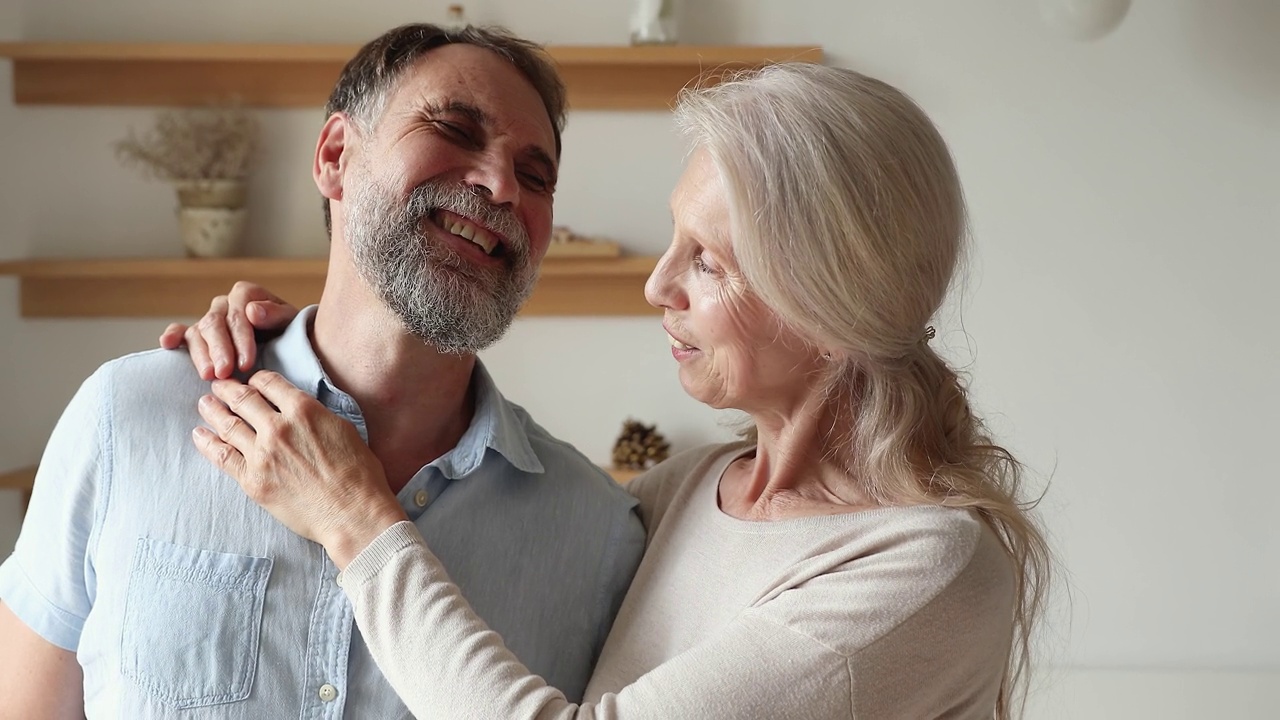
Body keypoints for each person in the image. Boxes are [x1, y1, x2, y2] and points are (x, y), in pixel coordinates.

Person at [176, 63, 1053, 719]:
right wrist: (308, 342)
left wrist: (355, 521)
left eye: (706, 261)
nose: (658, 286)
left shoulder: (929, 566)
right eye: (676, 241)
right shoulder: (684, 491)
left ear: (830, 309)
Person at [0, 24, 646, 718]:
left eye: (536, 175)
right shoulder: (126, 416)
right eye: (455, 130)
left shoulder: (600, 534)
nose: (501, 186)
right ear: (336, 155)